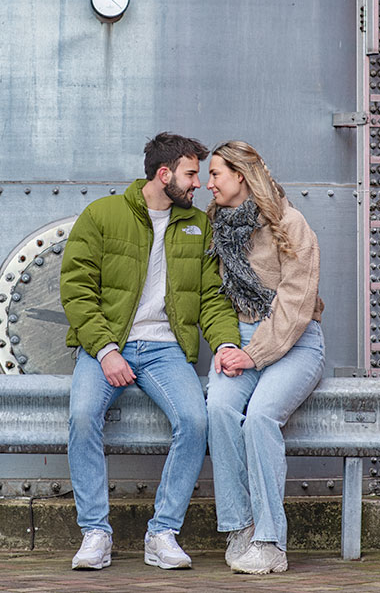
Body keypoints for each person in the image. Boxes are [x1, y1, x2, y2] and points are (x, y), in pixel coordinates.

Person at [60, 132, 240, 570]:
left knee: (195, 421)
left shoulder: (199, 226)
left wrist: (226, 342)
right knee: (83, 417)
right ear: (165, 175)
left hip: (164, 349)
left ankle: (162, 532)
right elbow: (77, 289)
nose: (198, 183)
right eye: (191, 173)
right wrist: (104, 350)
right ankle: (95, 533)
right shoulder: (102, 215)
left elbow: (213, 297)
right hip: (109, 345)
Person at [203, 140, 325, 575]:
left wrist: (253, 355)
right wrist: (226, 346)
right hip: (241, 342)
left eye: (215, 173)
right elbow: (214, 297)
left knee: (259, 418)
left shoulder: (290, 224)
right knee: (218, 408)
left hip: (294, 342)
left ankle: (272, 543)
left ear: (240, 175)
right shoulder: (217, 227)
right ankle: (241, 525)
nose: (207, 182)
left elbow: (295, 305)